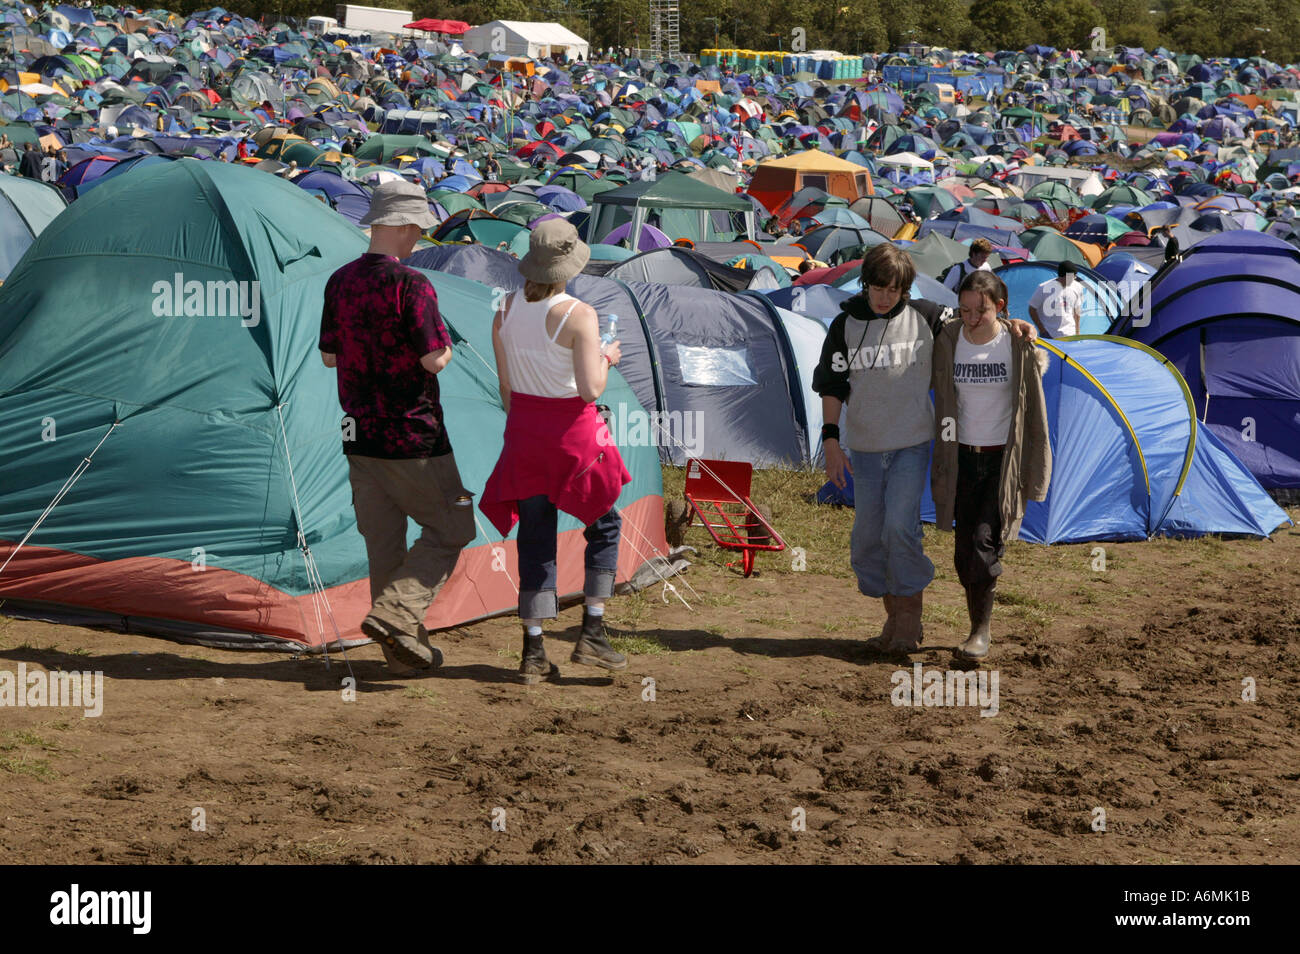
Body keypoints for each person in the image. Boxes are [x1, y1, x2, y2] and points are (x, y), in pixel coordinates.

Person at [814, 243, 1037, 654]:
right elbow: (832, 386)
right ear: (866, 285)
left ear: (906, 290)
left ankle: (909, 621)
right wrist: (831, 440)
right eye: (877, 288)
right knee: (868, 537)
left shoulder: (928, 316)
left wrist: (1021, 326)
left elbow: (981, 319)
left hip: (911, 445)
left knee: (900, 528)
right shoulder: (844, 325)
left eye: (894, 290)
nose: (884, 297)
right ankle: (893, 616)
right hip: (863, 448)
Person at [318, 179, 475, 674]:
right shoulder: (412, 284)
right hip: (414, 435)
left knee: (383, 544)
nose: (418, 239)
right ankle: (395, 614)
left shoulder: (339, 280)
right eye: (419, 230)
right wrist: (449, 347)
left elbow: (328, 357)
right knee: (452, 524)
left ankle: (405, 650)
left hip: (360, 434)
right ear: (406, 225)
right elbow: (434, 361)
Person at [480, 218, 632, 685]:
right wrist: (607, 356)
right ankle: (593, 629)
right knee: (605, 524)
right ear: (569, 265)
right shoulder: (579, 314)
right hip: (572, 433)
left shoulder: (503, 310)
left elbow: (506, 390)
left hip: (525, 432)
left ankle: (532, 650)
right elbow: (590, 390)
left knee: (535, 536)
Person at [931, 271, 1051, 660]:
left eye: (980, 310)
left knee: (983, 545)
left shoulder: (1015, 343)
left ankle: (979, 632)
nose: (970, 317)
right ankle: (977, 620)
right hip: (960, 457)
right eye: (964, 309)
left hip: (1002, 460)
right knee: (963, 554)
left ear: (999, 307)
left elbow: (1035, 406)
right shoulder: (948, 339)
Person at [1027, 261, 1083, 338]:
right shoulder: (1043, 288)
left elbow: (1077, 310)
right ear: (1062, 276)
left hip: (1071, 334)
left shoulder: (1077, 286)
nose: (1073, 280)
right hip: (1051, 334)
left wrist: (1077, 332)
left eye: (1074, 277)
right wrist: (1042, 330)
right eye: (1070, 278)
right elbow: (1032, 309)